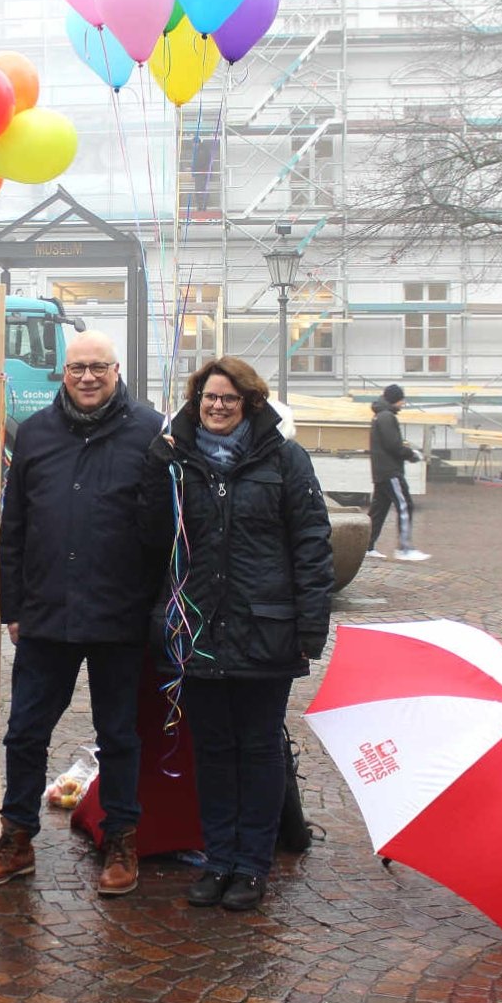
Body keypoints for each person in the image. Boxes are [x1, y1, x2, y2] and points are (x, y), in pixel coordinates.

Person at [0, 330, 163, 897]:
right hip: (48, 612)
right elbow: (16, 525)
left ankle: (122, 839)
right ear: (63, 373)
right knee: (26, 732)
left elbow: (162, 534)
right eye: (77, 368)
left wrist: (153, 609)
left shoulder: (149, 432)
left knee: (119, 734)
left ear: (116, 370)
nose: (87, 378)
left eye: (98, 367)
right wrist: (16, 606)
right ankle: (18, 838)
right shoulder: (35, 434)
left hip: (119, 613)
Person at [140, 356, 332, 912]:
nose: (217, 407)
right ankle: (218, 858)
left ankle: (252, 865)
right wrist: (156, 471)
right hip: (197, 627)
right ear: (195, 403)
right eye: (207, 399)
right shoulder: (179, 462)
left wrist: (310, 626)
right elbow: (152, 537)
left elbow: (312, 543)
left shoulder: (285, 460)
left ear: (250, 403)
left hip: (265, 629)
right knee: (215, 751)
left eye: (228, 399)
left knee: (259, 748)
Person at [365, 383, 428, 561]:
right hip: (390, 471)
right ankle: (405, 548)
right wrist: (412, 454)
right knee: (405, 505)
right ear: (395, 399)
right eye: (401, 400)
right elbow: (393, 445)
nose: (403, 403)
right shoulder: (386, 417)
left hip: (381, 471)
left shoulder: (380, 415)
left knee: (378, 511)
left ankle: (366, 546)